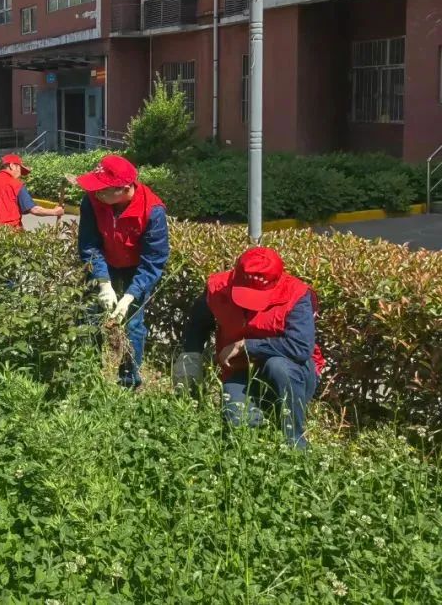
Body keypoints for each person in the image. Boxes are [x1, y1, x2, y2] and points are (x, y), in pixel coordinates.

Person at [174, 246, 325, 449]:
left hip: (292, 370)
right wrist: (191, 357)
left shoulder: (297, 295)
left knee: (277, 366)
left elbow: (300, 348)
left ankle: (295, 443)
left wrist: (247, 346)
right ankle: (259, 442)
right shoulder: (219, 288)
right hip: (241, 369)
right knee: (237, 422)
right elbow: (198, 323)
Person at [76, 154, 169, 389]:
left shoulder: (152, 210)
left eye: (103, 189)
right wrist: (104, 283)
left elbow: (153, 260)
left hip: (135, 269)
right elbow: (89, 244)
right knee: (90, 316)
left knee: (133, 324)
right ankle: (87, 373)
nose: (97, 193)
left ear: (125, 188)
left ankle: (129, 381)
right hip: (104, 263)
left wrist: (130, 296)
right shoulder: (92, 201)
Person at [0, 153, 64, 238]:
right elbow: (34, 209)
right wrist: (55, 211)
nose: (20, 174)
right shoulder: (15, 185)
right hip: (7, 238)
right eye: (20, 169)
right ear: (12, 166)